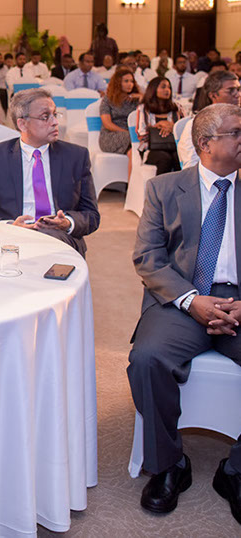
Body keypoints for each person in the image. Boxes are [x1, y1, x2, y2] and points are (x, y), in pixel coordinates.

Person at [127, 103, 241, 524]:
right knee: (147, 359)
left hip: (238, 299)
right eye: (236, 132)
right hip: (182, 297)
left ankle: (235, 471)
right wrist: (192, 301)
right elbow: (148, 257)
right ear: (206, 143)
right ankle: (169, 463)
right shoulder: (164, 188)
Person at [0, 88, 100, 256]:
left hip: (59, 237)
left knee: (48, 244)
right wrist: (10, 226)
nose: (55, 122)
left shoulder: (76, 156)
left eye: (55, 114)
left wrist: (67, 222)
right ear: (22, 124)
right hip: (11, 237)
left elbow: (91, 215)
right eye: (45, 117)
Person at [177, 71, 241, 169]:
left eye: (238, 89)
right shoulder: (196, 125)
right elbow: (191, 164)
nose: (238, 94)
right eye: (231, 90)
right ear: (213, 95)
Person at [135, 76, 184, 175]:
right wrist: (158, 126)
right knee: (165, 158)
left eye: (169, 87)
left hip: (174, 147)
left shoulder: (177, 108)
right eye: (163, 87)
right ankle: (160, 185)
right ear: (153, 89)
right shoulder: (144, 108)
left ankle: (179, 185)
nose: (167, 90)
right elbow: (141, 133)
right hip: (151, 149)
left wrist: (173, 127)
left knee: (178, 157)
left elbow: (185, 130)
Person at [99, 67, 142, 165]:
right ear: (118, 83)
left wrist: (141, 98)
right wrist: (127, 132)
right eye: (126, 81)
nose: (130, 84)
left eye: (132, 81)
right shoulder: (108, 99)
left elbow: (144, 117)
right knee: (135, 139)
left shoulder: (135, 100)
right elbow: (107, 124)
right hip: (110, 135)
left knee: (133, 151)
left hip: (132, 134)